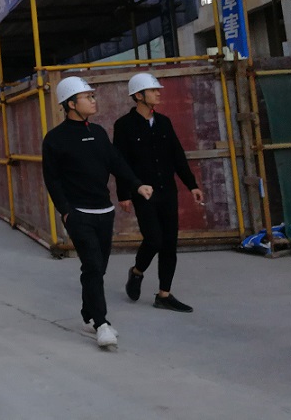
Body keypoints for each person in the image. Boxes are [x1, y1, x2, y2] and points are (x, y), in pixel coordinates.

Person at [41, 76, 153, 349]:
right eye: (87, 97)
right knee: (92, 266)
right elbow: (52, 180)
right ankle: (101, 323)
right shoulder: (55, 139)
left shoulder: (99, 133)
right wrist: (65, 211)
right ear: (71, 104)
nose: (93, 100)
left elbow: (116, 162)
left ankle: (88, 314)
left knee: (97, 268)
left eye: (93, 96)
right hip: (79, 214)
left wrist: (137, 185)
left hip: (104, 211)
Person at [113, 73, 205, 313]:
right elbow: (120, 162)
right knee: (154, 239)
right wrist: (124, 194)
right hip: (143, 193)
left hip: (168, 191)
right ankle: (137, 272)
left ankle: (164, 294)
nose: (158, 93)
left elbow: (177, 156)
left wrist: (192, 185)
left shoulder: (164, 122)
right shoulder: (124, 125)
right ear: (138, 96)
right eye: (153, 90)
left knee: (169, 243)